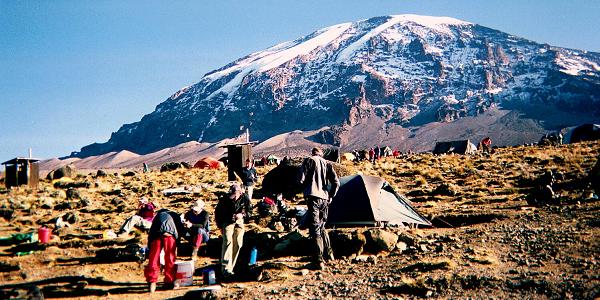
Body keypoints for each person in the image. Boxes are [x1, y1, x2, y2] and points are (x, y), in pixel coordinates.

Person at [297, 147, 340, 270]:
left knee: (315, 227)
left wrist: (304, 189)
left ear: (313, 153)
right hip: (325, 198)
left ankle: (318, 260)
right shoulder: (327, 163)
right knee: (322, 226)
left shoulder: (308, 161)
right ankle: (329, 254)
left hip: (313, 197)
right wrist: (331, 195)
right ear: (321, 154)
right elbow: (336, 182)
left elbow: (300, 179)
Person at [144, 209, 186, 293]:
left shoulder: (157, 217)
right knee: (170, 258)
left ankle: (152, 282)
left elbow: (151, 232)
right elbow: (181, 230)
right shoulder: (174, 215)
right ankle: (169, 281)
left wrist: (149, 246)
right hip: (170, 236)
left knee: (154, 259)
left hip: (156, 236)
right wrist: (178, 243)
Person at [215, 183, 251, 277]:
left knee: (238, 244)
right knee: (227, 242)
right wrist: (219, 226)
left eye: (235, 195)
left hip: (239, 222)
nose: (233, 197)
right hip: (227, 222)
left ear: (239, 193)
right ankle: (226, 268)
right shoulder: (224, 199)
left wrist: (242, 215)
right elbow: (218, 213)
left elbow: (249, 212)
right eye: (232, 194)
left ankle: (232, 266)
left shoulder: (245, 198)